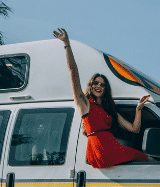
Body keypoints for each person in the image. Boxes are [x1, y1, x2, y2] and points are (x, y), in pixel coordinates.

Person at [54, 28, 152, 168]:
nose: (98, 86)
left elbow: (134, 129)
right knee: (143, 158)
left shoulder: (109, 110)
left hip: (113, 146)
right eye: (95, 83)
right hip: (100, 149)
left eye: (102, 84)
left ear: (106, 89)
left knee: (143, 157)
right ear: (91, 85)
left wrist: (138, 110)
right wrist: (67, 44)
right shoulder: (85, 104)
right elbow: (73, 71)